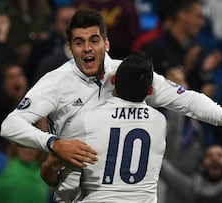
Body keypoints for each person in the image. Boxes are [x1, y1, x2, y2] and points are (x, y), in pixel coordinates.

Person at [0, 8, 222, 199]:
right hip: (75, 186)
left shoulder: (127, 72)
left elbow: (183, 97)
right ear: (69, 47)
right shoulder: (55, 82)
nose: (87, 49)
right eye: (79, 42)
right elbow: (10, 126)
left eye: (94, 40)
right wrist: (53, 143)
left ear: (106, 43)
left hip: (124, 186)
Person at [47, 51, 167, 202]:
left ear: (113, 80)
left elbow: (68, 185)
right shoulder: (160, 122)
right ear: (150, 91)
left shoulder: (86, 120)